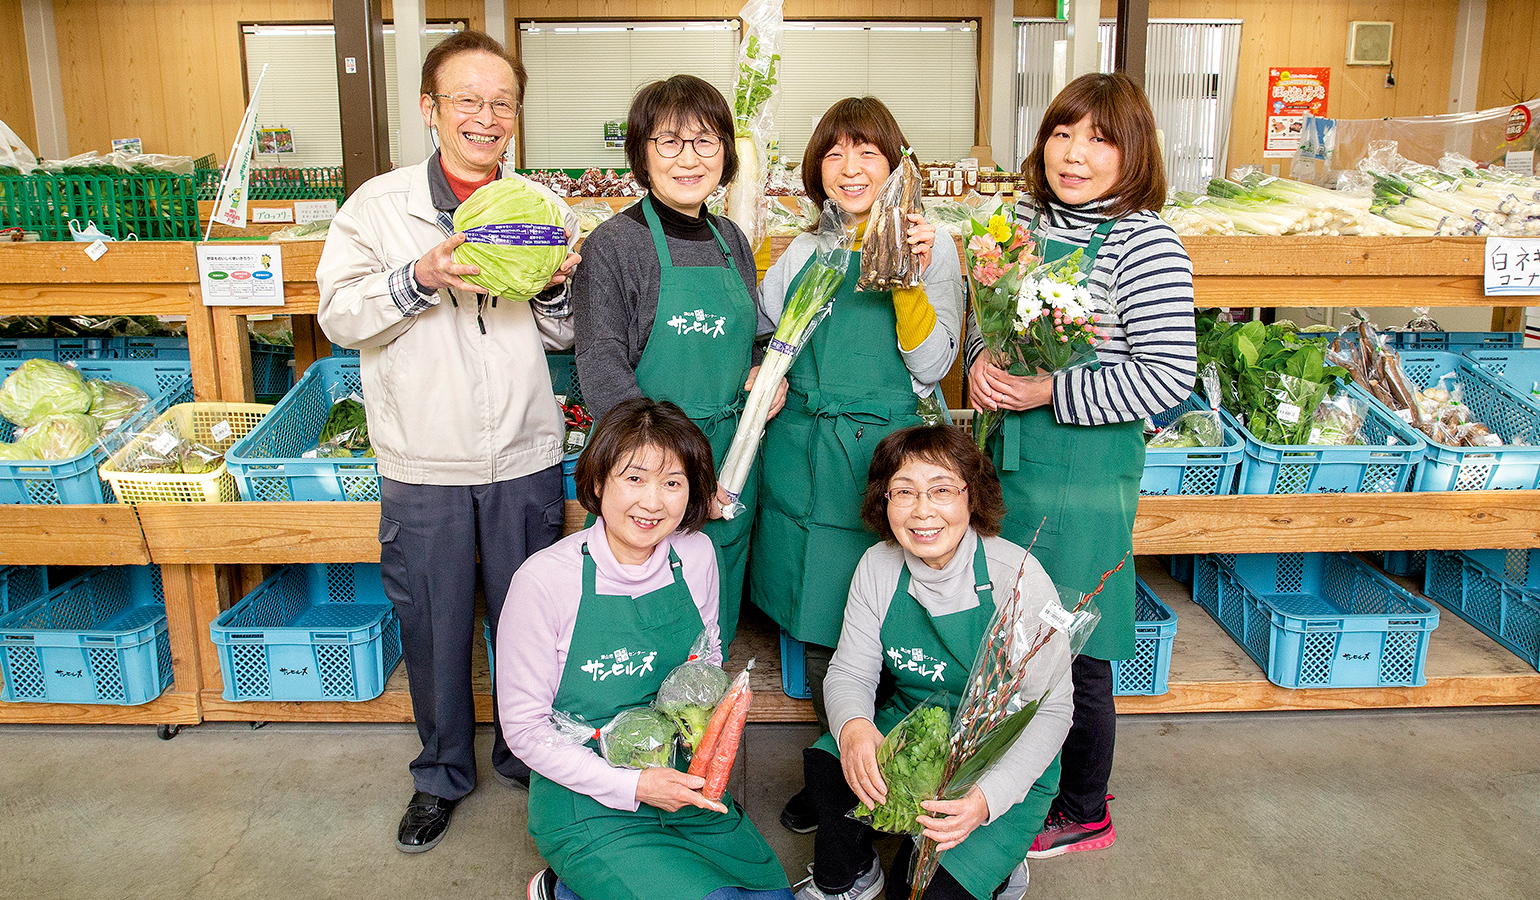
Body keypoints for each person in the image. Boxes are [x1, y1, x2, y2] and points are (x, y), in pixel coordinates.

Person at [316, 30, 581, 853]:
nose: (486, 116)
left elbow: (565, 336)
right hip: (423, 458)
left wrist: (557, 291)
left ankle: (525, 752)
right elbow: (339, 315)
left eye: (501, 101)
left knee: (530, 622)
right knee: (431, 622)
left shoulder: (541, 207)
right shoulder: (377, 206)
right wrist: (420, 278)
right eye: (467, 99)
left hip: (527, 453)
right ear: (431, 109)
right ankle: (440, 775)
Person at [967, 72, 1196, 857]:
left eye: (1099, 138)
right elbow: (985, 324)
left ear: (1133, 152)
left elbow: (1170, 376)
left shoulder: (1147, 242)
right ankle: (1014, 771)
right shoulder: (1020, 223)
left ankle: (1084, 803)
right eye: (1063, 133)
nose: (1074, 153)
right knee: (1011, 625)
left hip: (1087, 478)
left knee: (1076, 638)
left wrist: (1048, 390)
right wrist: (979, 371)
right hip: (1012, 463)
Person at [749, 97, 964, 832]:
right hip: (801, 459)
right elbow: (766, 337)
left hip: (880, 465)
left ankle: (876, 770)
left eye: (868, 152)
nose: (850, 168)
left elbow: (934, 365)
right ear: (817, 170)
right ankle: (831, 771)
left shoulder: (936, 247)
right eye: (835, 154)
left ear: (896, 164)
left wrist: (903, 272)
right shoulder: (804, 251)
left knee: (870, 622)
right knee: (812, 620)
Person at [497, 398, 792, 900]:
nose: (653, 503)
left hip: (682, 782)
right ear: (595, 484)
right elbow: (524, 731)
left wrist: (705, 733)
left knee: (771, 896)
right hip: (587, 796)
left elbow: (707, 659)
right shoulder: (544, 582)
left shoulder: (697, 554)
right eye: (634, 478)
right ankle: (569, 882)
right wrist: (634, 786)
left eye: (673, 482)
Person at [796, 425, 1072, 900]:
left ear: (972, 497)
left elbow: (1051, 710)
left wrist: (986, 800)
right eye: (903, 492)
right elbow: (849, 672)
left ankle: (1002, 859)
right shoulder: (878, 566)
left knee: (922, 892)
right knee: (827, 767)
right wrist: (856, 728)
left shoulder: (1017, 576)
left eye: (941, 490)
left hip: (994, 756)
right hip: (914, 731)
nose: (923, 511)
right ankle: (856, 875)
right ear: (884, 501)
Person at [572, 74, 785, 650]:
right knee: (649, 610)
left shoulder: (732, 240)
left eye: (706, 142)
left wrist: (766, 374)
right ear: (642, 153)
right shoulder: (615, 245)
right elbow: (600, 365)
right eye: (669, 142)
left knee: (714, 611)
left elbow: (755, 334)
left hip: (735, 459)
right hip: (652, 471)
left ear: (725, 153)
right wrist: (673, 475)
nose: (688, 159)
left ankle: (707, 722)